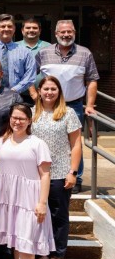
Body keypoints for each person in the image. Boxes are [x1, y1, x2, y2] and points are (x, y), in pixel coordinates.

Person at [0, 103, 55, 259]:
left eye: (21, 118)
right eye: (14, 118)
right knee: (18, 244)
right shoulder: (1, 142)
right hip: (8, 199)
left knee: (27, 245)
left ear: (29, 121)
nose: (17, 121)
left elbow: (45, 175)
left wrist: (42, 202)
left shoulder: (37, 143)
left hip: (30, 199)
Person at [36, 19, 99, 193]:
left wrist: (90, 105)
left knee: (74, 143)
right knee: (46, 140)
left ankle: (76, 177)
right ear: (56, 34)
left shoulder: (85, 53)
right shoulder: (44, 53)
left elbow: (92, 80)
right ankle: (45, 174)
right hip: (47, 105)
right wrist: (35, 96)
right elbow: (30, 75)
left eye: (69, 31)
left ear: (74, 33)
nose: (66, 35)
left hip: (74, 105)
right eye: (62, 32)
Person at [31, 76, 81, 259]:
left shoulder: (68, 113)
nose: (49, 92)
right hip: (34, 172)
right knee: (39, 214)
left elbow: (76, 144)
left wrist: (73, 172)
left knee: (58, 213)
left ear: (59, 92)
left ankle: (58, 252)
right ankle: (42, 251)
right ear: (39, 91)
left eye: (53, 89)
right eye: (46, 89)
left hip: (60, 171)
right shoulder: (31, 112)